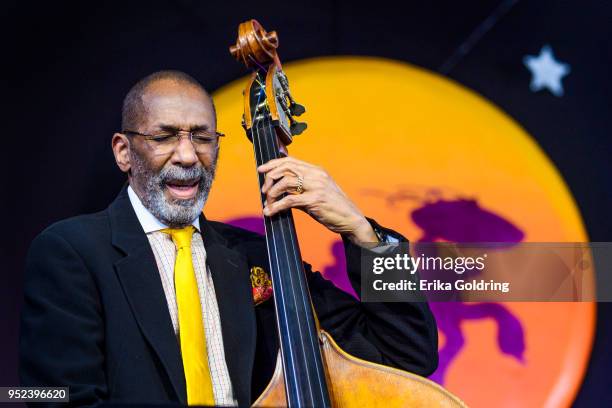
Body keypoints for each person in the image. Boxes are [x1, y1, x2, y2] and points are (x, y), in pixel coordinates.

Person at [20, 70, 438, 407]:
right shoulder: (70, 252)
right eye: (165, 136)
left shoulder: (256, 255)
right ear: (123, 151)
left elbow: (406, 356)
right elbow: (50, 397)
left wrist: (362, 233)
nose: (187, 156)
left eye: (202, 137)